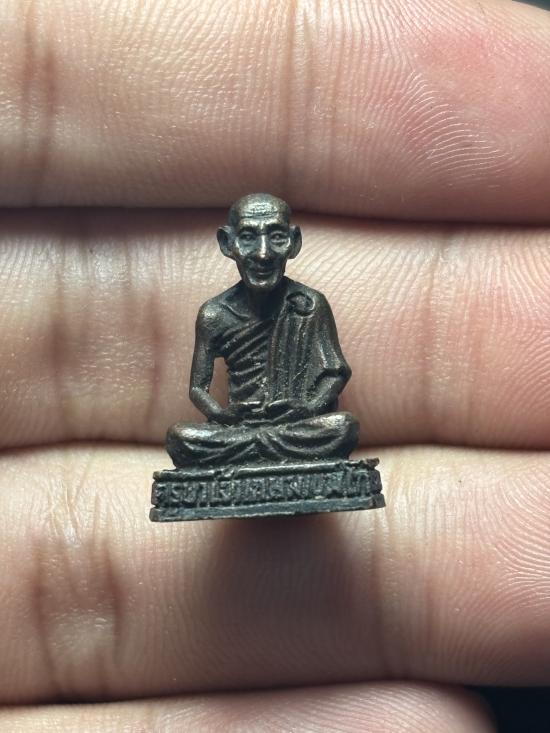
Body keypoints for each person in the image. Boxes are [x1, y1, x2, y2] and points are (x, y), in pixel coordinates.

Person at [166, 193, 358, 467]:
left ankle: (259, 453)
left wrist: (308, 409)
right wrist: (222, 415)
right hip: (239, 428)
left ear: (294, 242)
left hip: (292, 425)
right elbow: (198, 388)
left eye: (277, 237)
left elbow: (336, 373)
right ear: (227, 243)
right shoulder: (214, 314)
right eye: (248, 238)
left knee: (343, 426)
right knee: (180, 437)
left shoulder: (309, 304)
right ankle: (268, 453)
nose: (263, 253)